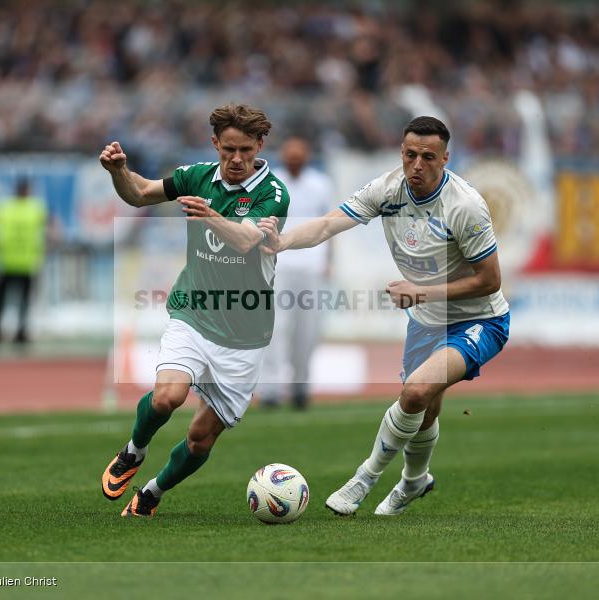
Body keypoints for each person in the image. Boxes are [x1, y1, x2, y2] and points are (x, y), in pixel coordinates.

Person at [259, 116, 509, 516]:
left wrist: (421, 291)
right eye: (410, 155)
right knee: (425, 407)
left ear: (446, 158)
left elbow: (491, 281)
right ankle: (414, 481)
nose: (417, 165)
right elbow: (327, 225)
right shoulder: (387, 189)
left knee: (413, 393)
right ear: (401, 153)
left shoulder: (465, 206)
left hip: (480, 320)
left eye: (428, 157)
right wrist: (284, 241)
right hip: (427, 318)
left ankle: (364, 479)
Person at [99, 104, 290, 518]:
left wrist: (211, 215)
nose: (236, 160)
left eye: (244, 150)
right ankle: (133, 452)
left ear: (259, 146)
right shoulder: (196, 175)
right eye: (227, 150)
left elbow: (245, 240)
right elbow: (140, 193)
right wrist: (118, 171)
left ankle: (152, 492)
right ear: (215, 144)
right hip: (195, 312)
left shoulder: (273, 193)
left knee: (201, 438)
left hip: (245, 334)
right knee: (168, 397)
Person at [258, 137, 334, 410]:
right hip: (277, 265)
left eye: (299, 155)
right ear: (283, 156)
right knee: (274, 329)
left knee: (308, 330)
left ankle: (301, 387)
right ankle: (269, 390)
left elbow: (328, 224)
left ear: (307, 156)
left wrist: (329, 259)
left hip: (312, 265)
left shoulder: (320, 183)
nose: (294, 160)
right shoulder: (270, 181)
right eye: (290, 155)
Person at [0, 178, 48, 344]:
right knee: (22, 301)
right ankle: (20, 333)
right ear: (27, 191)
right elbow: (51, 230)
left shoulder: (4, 207)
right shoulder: (36, 208)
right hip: (25, 262)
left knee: (1, 300)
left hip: (6, 261)